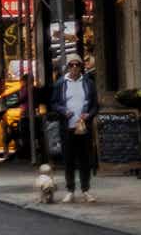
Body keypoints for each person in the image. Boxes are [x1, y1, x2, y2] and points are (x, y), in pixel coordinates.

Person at [51, 56, 98, 201]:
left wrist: (88, 115)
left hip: (83, 127)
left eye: (77, 64)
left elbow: (95, 105)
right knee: (69, 160)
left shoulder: (88, 83)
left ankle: (85, 190)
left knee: (85, 160)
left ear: (81, 66)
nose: (74, 67)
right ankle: (70, 190)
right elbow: (54, 103)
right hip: (68, 128)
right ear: (68, 67)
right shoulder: (61, 84)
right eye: (71, 65)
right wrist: (64, 111)